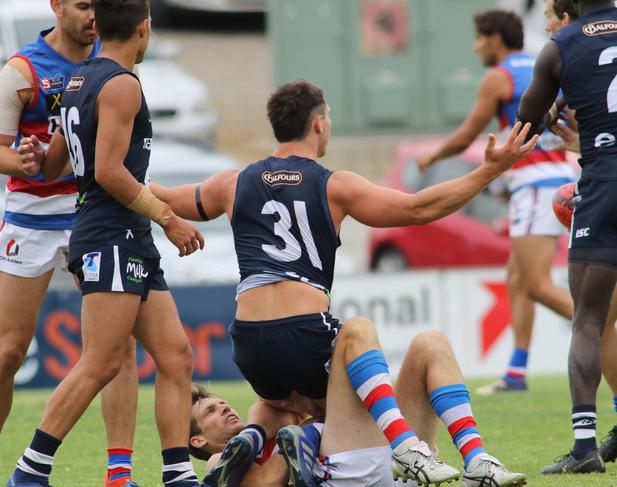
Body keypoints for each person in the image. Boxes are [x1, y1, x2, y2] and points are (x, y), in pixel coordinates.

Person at [144, 79, 537, 486]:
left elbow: (163, 196)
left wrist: (123, 177)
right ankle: (405, 447)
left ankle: (259, 438)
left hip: (249, 343)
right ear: (318, 124)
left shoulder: (233, 182)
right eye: (328, 116)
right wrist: (491, 169)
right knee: (357, 334)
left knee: (284, 403)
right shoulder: (335, 184)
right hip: (303, 328)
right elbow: (419, 209)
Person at [7, 1, 204, 486]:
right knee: (100, 362)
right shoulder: (120, 83)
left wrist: (36, 151)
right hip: (111, 233)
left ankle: (178, 474)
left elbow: (55, 166)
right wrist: (169, 219)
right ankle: (29, 472)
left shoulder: (77, 78)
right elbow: (108, 172)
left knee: (176, 355)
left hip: (124, 234)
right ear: (144, 28)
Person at [0, 1, 139, 486]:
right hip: (30, 220)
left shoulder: (109, 63)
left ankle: (119, 474)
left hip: (92, 213)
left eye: (98, 6)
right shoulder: (23, 70)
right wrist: (21, 161)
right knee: (9, 352)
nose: (93, 16)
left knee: (118, 347)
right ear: (57, 6)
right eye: (83, 5)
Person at [415, 9, 576, 395]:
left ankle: (604, 330)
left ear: (495, 40)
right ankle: (516, 373)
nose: (475, 47)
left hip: (535, 185)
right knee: (517, 279)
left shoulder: (498, 77)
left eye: (478, 38)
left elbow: (466, 135)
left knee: (535, 284)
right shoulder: (543, 64)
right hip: (555, 179)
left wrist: (431, 157)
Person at [189, 330, 527, 487]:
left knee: (432, 343)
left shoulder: (269, 411)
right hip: (351, 475)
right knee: (354, 332)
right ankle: (406, 449)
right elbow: (265, 482)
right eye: (210, 413)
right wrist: (267, 432)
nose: (223, 408)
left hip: (402, 469)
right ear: (198, 442)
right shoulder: (219, 461)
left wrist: (278, 422)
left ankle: (475, 460)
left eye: (221, 403)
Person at [516, 0, 617, 475]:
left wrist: (560, 111)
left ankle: (584, 448)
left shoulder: (561, 47)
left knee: (591, 320)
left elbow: (528, 121)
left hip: (602, 187)